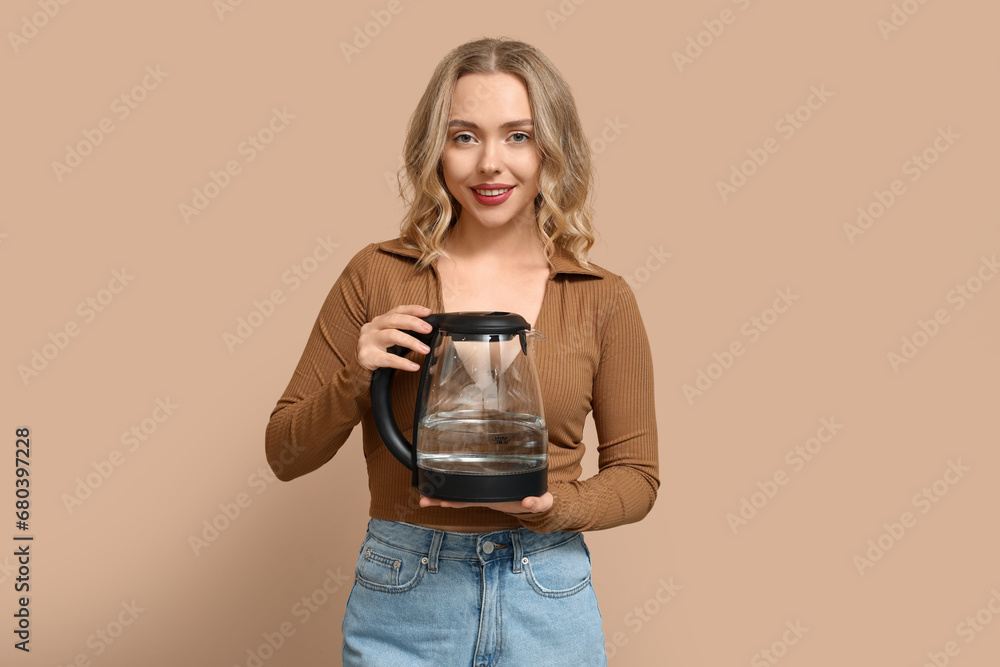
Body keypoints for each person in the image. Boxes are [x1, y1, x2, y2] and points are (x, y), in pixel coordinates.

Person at [264, 36, 658, 666]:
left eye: (519, 136)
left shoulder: (603, 298)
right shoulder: (377, 275)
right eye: (465, 136)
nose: (490, 165)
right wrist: (355, 377)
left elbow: (638, 478)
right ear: (435, 150)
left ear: (552, 149)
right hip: (405, 591)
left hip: (547, 593)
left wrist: (552, 506)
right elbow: (284, 453)